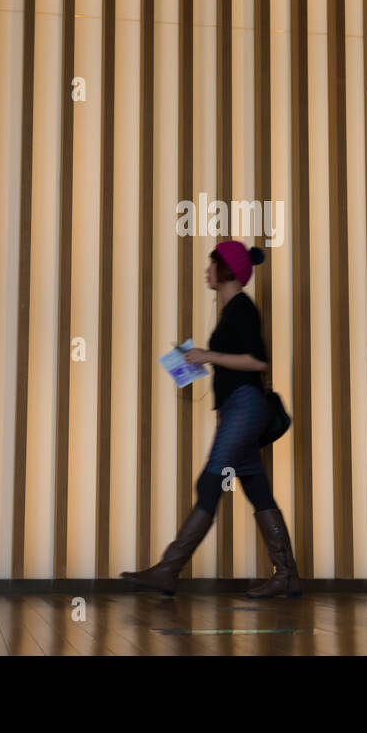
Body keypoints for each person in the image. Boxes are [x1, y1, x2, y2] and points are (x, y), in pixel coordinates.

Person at [121, 240, 301, 598]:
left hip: (245, 406)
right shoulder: (231, 310)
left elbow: (257, 361)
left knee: (209, 483)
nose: (207, 271)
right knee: (257, 489)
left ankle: (168, 571)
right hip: (238, 407)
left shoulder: (242, 309)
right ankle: (287, 577)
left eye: (211, 265)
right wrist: (200, 359)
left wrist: (209, 354)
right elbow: (236, 358)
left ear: (226, 270)